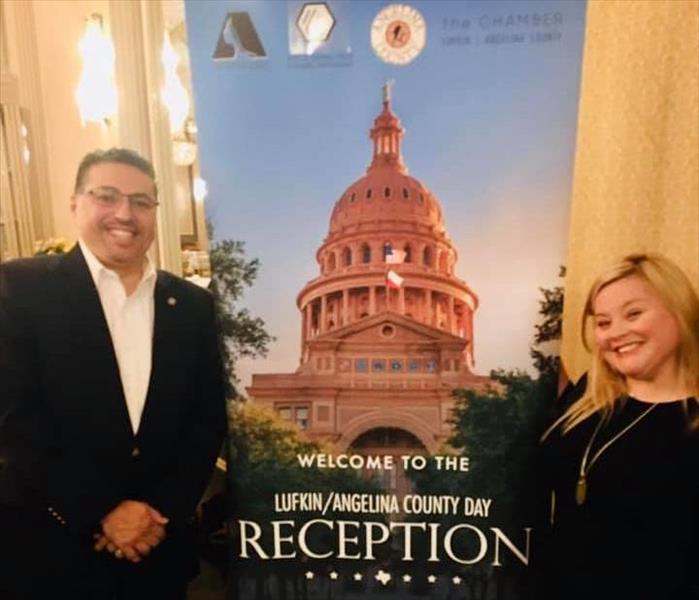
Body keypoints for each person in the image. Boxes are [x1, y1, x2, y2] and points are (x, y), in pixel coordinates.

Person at [0, 148, 227, 600]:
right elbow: (15, 417)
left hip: (155, 550)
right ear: (75, 204)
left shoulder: (193, 305)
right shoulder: (20, 289)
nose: (125, 213)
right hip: (49, 546)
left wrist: (158, 513)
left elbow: (207, 420)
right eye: (107, 196)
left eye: (141, 202)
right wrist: (102, 511)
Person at [534, 253, 698, 600]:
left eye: (634, 313)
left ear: (678, 309)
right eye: (603, 322)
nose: (616, 333)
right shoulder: (585, 395)